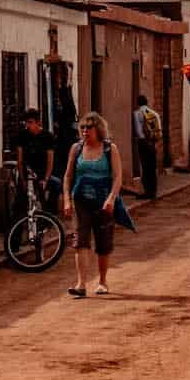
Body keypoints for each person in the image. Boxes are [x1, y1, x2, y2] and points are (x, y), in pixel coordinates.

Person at [65, 112, 121, 298]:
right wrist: (66, 199)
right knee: (80, 240)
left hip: (103, 201)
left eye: (89, 128)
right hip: (81, 200)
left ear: (98, 129)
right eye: (82, 128)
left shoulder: (109, 149)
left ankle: (102, 281)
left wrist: (111, 198)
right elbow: (68, 176)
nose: (85, 131)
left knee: (103, 242)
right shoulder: (76, 149)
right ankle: (81, 283)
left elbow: (117, 177)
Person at [11, 107, 57, 218]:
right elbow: (20, 159)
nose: (28, 125)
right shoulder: (22, 136)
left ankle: (48, 219)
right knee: (19, 205)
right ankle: (16, 231)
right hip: (27, 173)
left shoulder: (47, 136)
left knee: (56, 186)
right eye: (26, 122)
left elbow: (50, 160)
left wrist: (46, 179)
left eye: (30, 122)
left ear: (38, 122)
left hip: (42, 173)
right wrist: (23, 180)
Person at [131, 94, 161, 200]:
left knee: (145, 167)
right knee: (152, 167)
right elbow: (158, 132)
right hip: (152, 143)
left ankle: (147, 191)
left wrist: (140, 139)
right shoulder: (154, 114)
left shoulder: (137, 114)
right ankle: (153, 191)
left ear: (138, 103)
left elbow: (138, 131)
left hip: (143, 143)